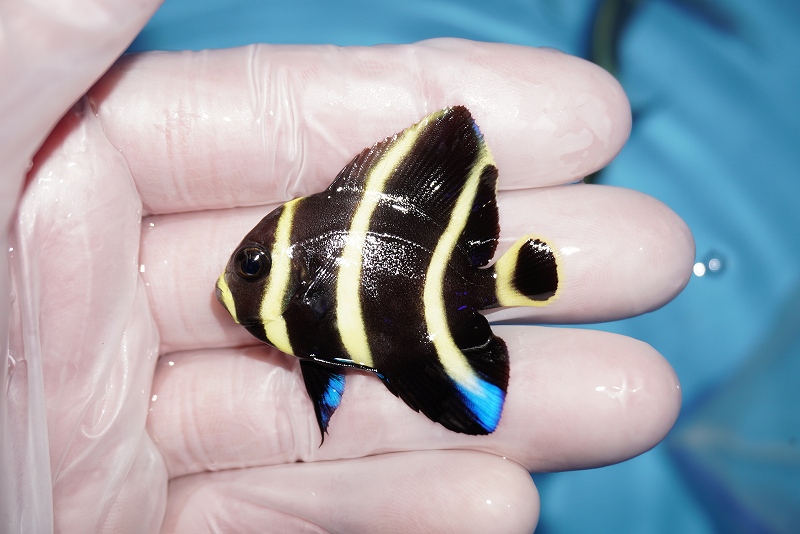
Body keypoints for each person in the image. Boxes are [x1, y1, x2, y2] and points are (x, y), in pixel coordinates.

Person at [1, 1, 693, 531]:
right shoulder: (293, 270)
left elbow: (322, 360)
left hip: (408, 293)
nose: (230, 279)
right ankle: (490, 297)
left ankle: (493, 290)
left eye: (250, 264)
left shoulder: (301, 261)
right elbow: (321, 363)